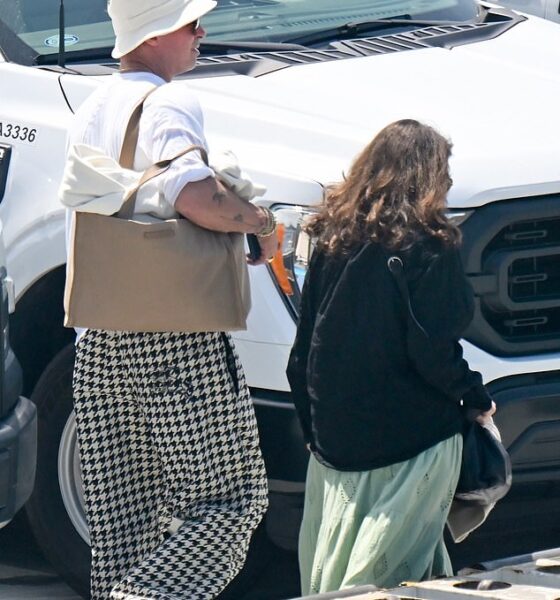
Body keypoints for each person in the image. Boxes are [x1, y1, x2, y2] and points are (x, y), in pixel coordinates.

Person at [64, 0, 278, 598]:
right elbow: (197, 196)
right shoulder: (169, 100)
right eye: (190, 23)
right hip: (176, 339)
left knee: (125, 534)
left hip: (99, 341)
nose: (201, 32)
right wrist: (259, 223)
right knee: (228, 505)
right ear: (156, 33)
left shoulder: (92, 107)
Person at [286, 119, 496, 595]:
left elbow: (304, 350)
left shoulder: (331, 237)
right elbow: (433, 348)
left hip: (337, 438)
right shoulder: (427, 245)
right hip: (409, 436)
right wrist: (474, 398)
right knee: (391, 574)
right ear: (429, 176)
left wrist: (312, 430)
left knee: (340, 568)